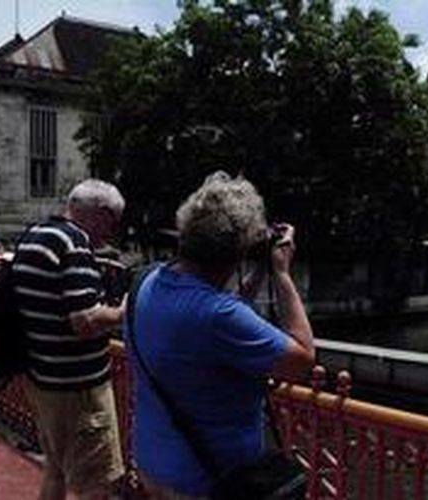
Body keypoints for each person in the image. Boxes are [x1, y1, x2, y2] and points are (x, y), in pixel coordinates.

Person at [127, 171, 315, 499]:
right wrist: (282, 275)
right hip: (207, 481)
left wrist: (258, 272)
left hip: (153, 462)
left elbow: (208, 323)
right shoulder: (218, 316)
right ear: (236, 252)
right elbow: (301, 360)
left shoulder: (146, 282)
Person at [13, 179, 127, 500]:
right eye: (113, 222)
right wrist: (123, 310)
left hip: (42, 378)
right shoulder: (75, 244)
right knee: (97, 483)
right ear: (101, 214)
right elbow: (85, 321)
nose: (111, 232)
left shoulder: (35, 236)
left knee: (55, 470)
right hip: (78, 387)